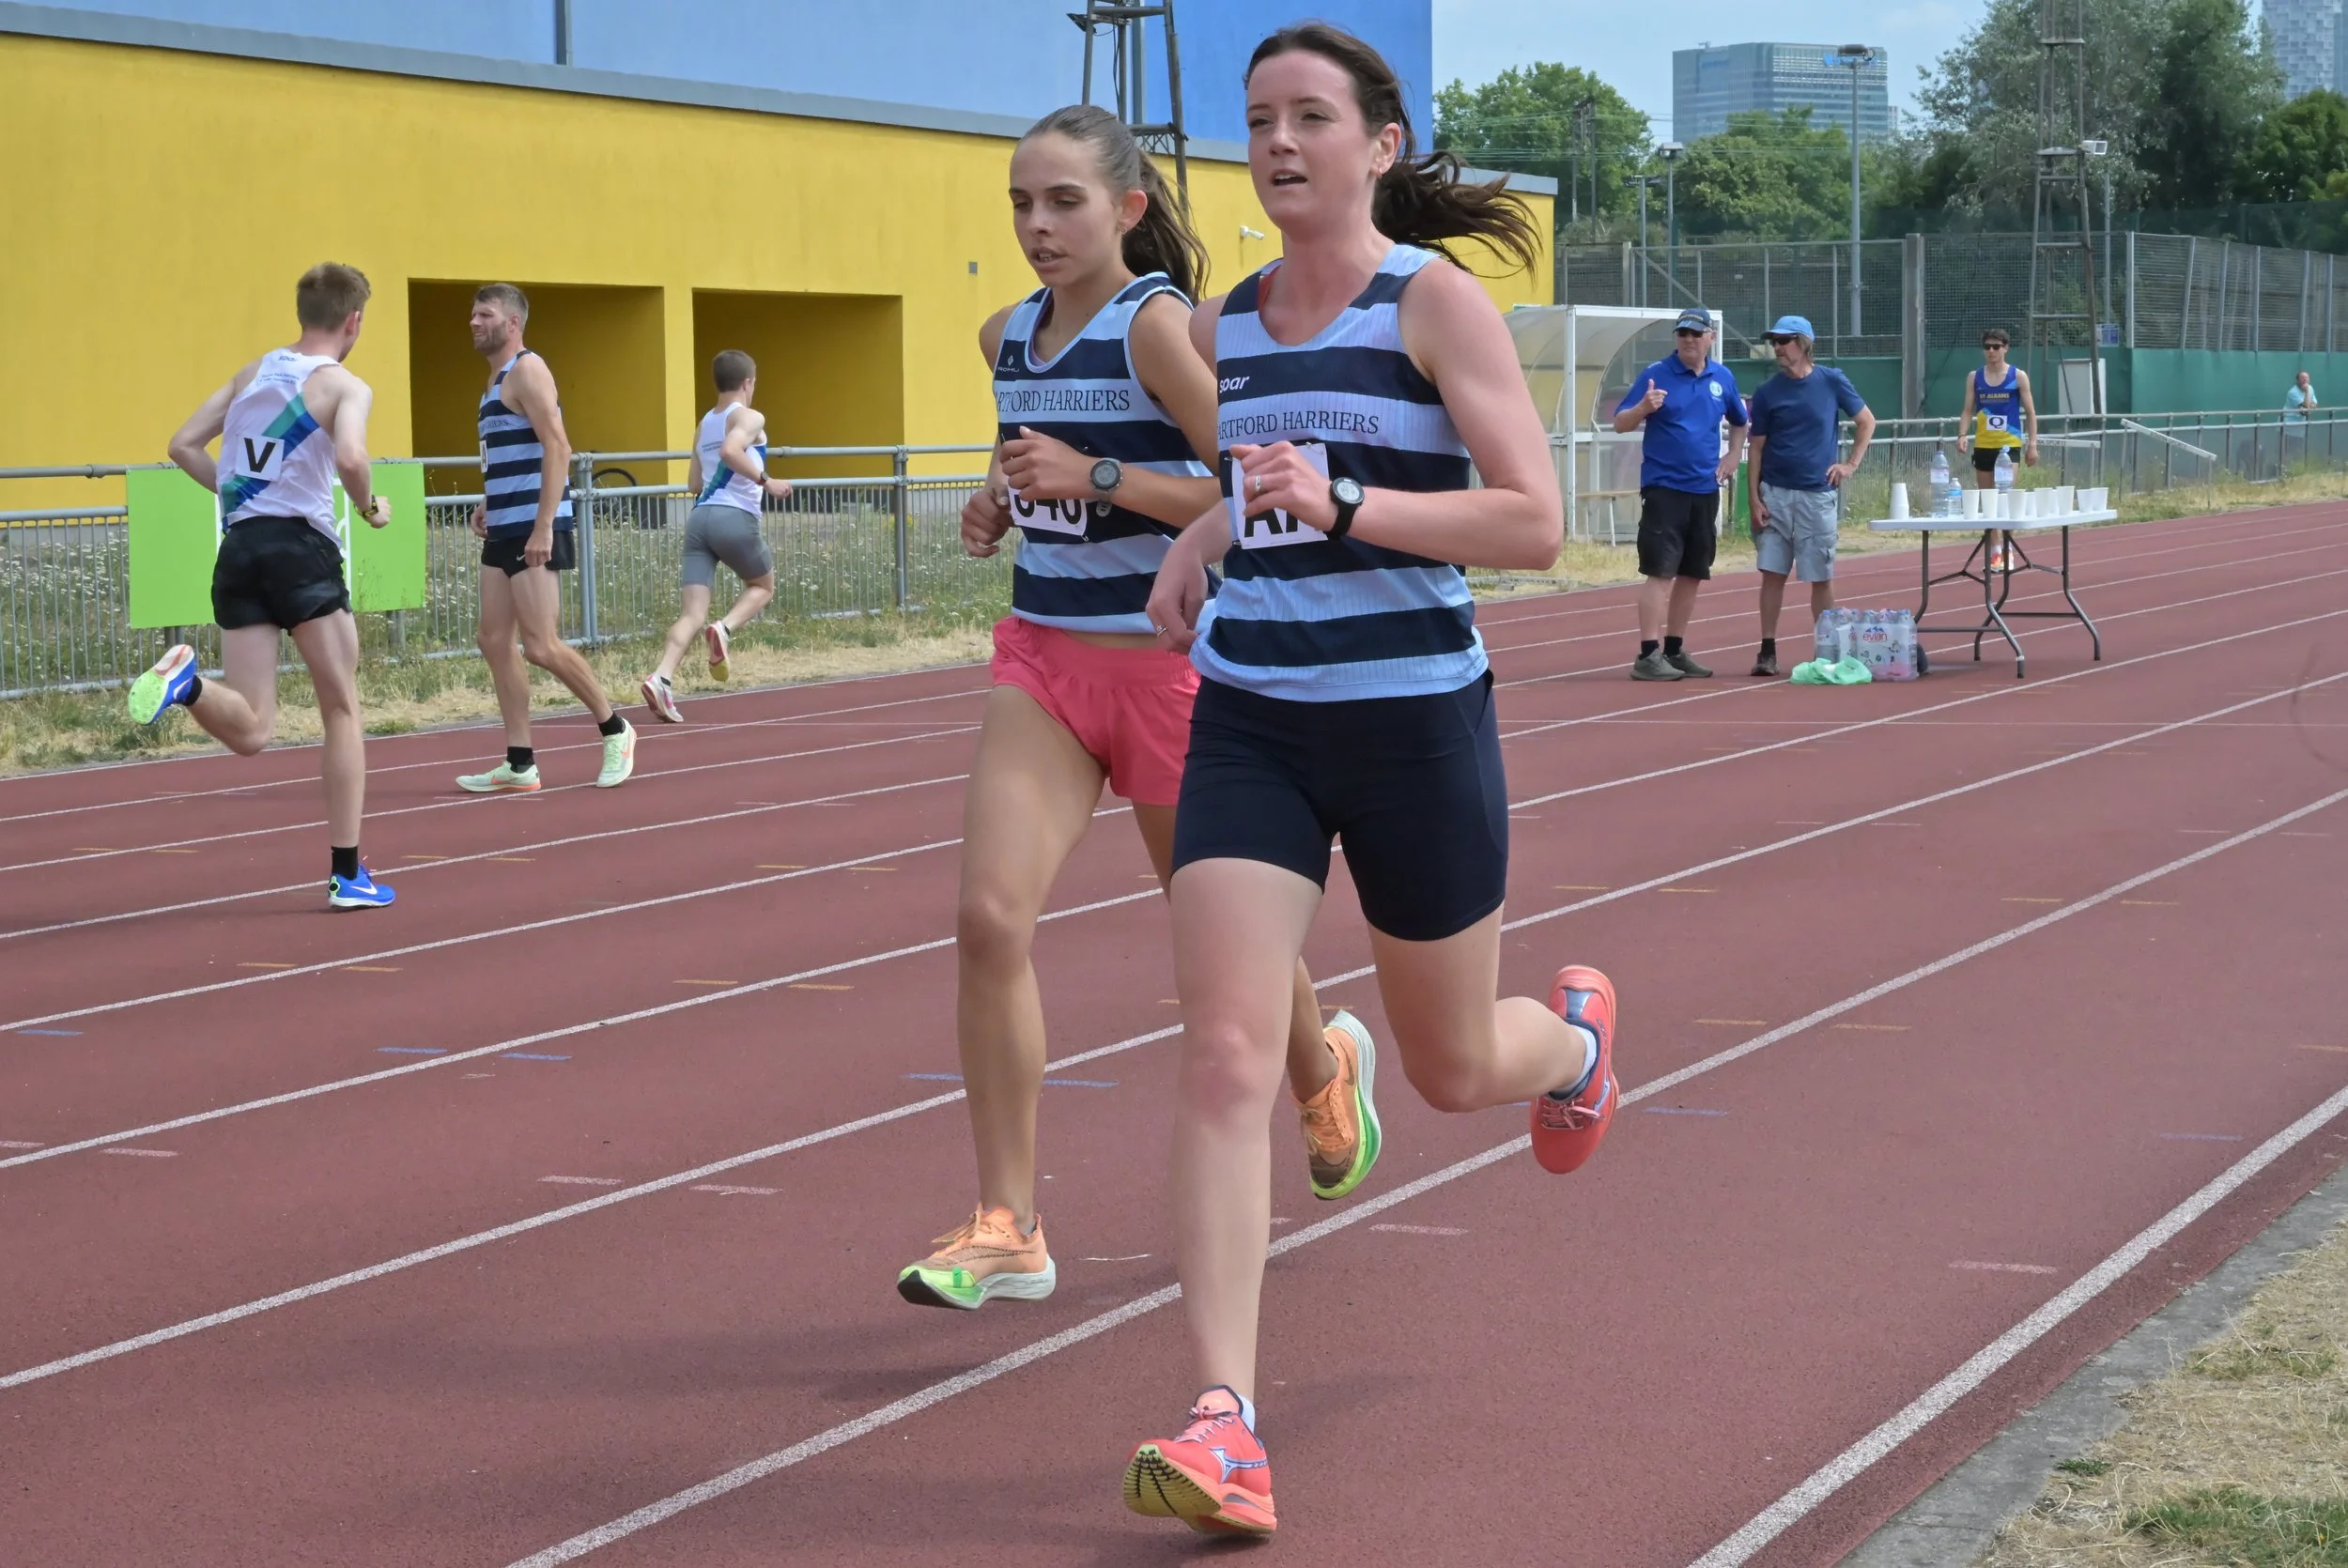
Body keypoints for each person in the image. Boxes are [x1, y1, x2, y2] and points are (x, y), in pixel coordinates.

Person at [1127, 25, 1619, 1537]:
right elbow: (1255, 480)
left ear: (1380, 144)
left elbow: (1533, 521)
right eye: (1258, 120)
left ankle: (1576, 1047)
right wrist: (1206, 537)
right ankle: (1225, 1423)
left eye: (1310, 117)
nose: (1278, 143)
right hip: (1255, 718)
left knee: (1453, 1066)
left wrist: (1348, 499)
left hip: (1413, 723)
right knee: (1227, 1050)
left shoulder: (1434, 302)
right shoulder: (1231, 319)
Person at [896, 105, 1373, 1315]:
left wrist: (1097, 476)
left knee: (1229, 948)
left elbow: (1246, 490)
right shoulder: (1005, 335)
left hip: (1169, 672)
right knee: (986, 918)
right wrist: (1000, 500)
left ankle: (1322, 1069)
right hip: (1044, 661)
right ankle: (1009, 1223)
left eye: (1063, 201)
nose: (1037, 224)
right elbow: (1029, 456)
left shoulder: (1155, 327)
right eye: (1020, 202)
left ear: (1126, 208)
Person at [132, 262, 397, 910]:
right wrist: (369, 508)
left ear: (302, 312)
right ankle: (346, 875)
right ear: (354, 321)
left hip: (241, 549)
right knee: (342, 709)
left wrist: (239, 496)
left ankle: (188, 685)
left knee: (252, 731)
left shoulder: (251, 373)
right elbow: (351, 458)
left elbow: (182, 445)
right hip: (300, 550)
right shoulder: (345, 386)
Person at [454, 284, 636, 792]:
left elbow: (558, 447)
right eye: (472, 315)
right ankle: (520, 763)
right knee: (493, 640)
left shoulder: (528, 370)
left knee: (540, 645)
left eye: (485, 315)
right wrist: (488, 500)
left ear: (513, 323)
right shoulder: (493, 382)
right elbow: (518, 454)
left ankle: (616, 728)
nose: (474, 322)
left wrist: (542, 527)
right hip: (505, 524)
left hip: (535, 526)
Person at [641, 351, 790, 721]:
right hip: (734, 516)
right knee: (763, 586)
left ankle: (661, 678)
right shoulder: (749, 416)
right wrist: (767, 481)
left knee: (691, 613)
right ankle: (723, 629)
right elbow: (730, 450)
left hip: (699, 520)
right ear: (748, 382)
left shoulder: (704, 423)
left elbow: (693, 483)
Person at [1613, 305, 1747, 680]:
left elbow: (1740, 421)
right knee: (1661, 572)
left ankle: (1674, 649)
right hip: (1665, 489)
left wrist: (1733, 456)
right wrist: (1643, 407)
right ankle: (1647, 654)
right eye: (1683, 333)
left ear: (1710, 338)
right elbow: (1620, 423)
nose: (1689, 340)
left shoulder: (1722, 377)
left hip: (1704, 489)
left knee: (1692, 573)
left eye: (1696, 333)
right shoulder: (1655, 374)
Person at [1743, 315, 1874, 677]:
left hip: (1817, 496)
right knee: (1772, 574)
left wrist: (1850, 464)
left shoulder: (1831, 380)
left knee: (1821, 576)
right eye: (1774, 342)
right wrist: (1753, 498)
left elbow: (1867, 421)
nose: (1777, 348)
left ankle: (1826, 650)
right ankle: (1767, 651)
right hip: (1775, 495)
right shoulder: (1767, 391)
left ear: (1803, 344)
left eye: (1784, 341)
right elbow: (1756, 448)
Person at [1955, 327, 2037, 573]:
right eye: (1987, 347)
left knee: (2004, 498)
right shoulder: (1974, 377)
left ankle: (2008, 551)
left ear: (2006, 348)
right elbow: (1967, 410)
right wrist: (1962, 434)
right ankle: (1996, 552)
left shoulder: (2018, 376)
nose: (1991, 351)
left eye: (1996, 347)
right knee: (1988, 501)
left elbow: (2031, 413)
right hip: (1984, 445)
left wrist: (2032, 445)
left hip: (2008, 445)